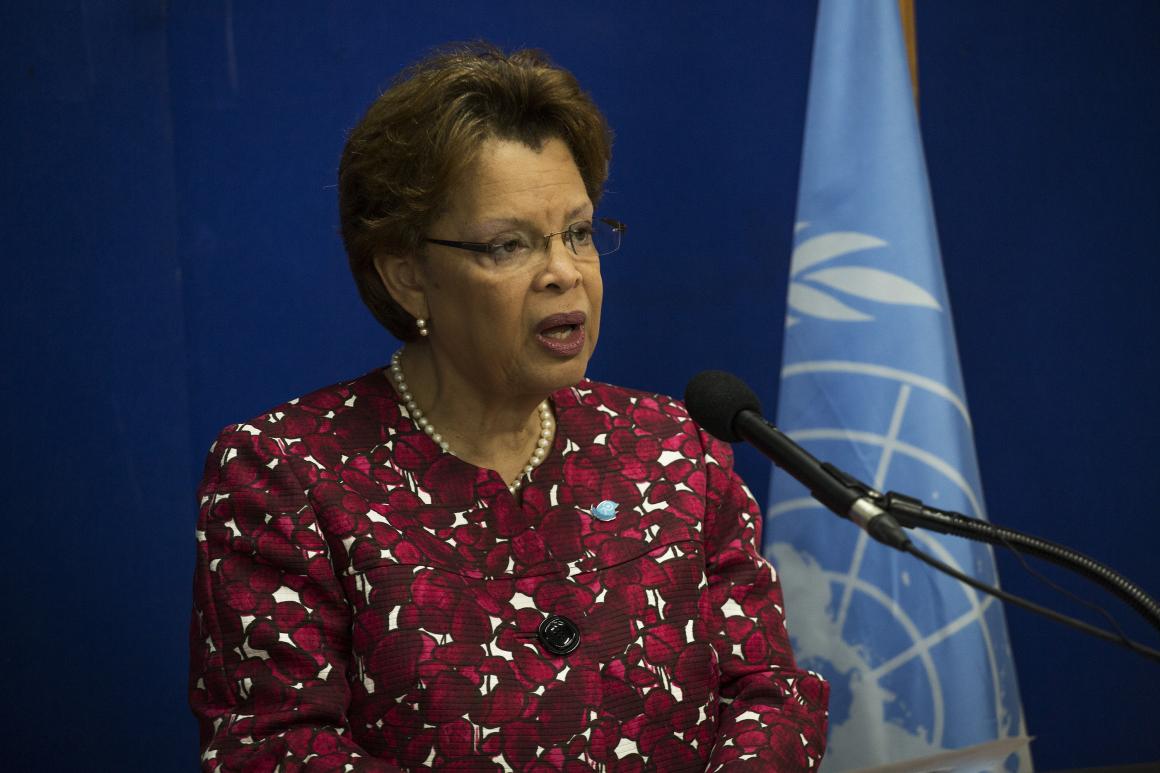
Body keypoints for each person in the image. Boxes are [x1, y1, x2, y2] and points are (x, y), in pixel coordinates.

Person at [189, 43, 828, 772]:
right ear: (407, 274)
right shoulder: (286, 476)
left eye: (579, 233)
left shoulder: (675, 449)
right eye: (508, 245)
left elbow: (770, 693)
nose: (564, 272)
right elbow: (274, 749)